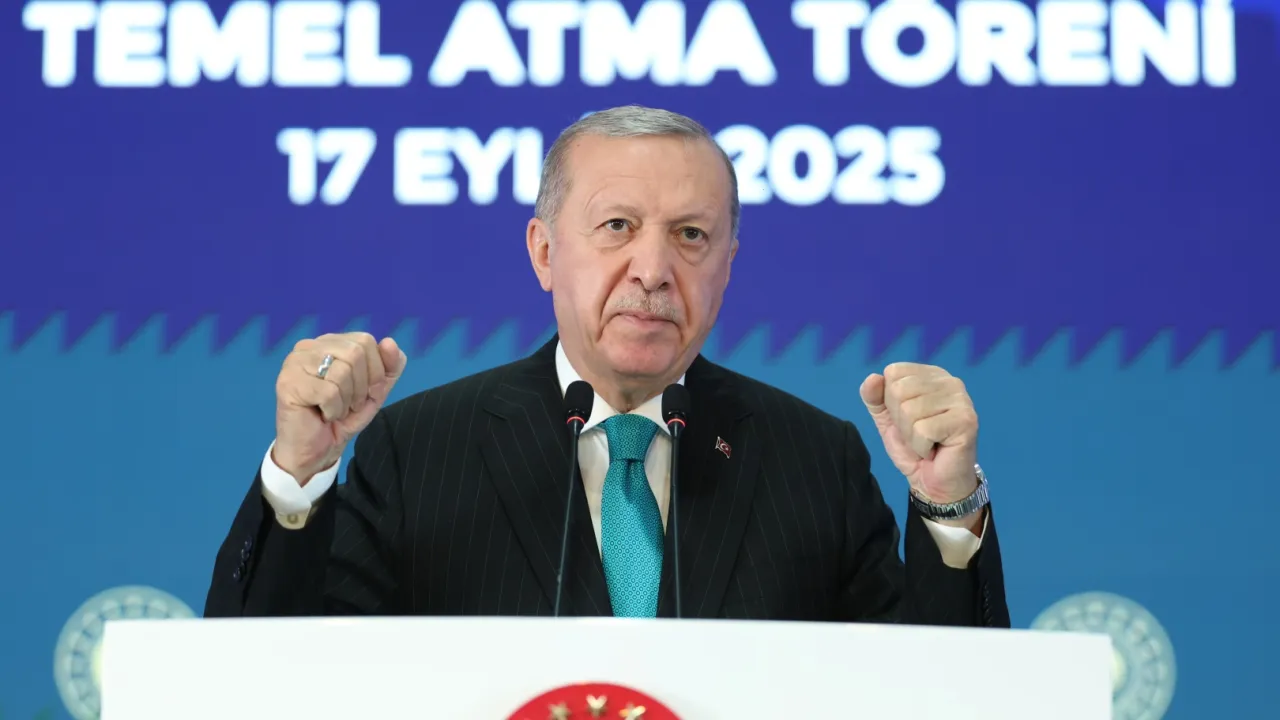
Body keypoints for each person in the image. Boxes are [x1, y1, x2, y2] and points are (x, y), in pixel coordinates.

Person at [205, 105, 1009, 626]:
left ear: (728, 265)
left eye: (691, 235)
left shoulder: (815, 460)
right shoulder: (418, 451)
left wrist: (948, 505)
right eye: (618, 226)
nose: (653, 270)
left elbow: (936, 696)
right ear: (544, 252)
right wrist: (299, 475)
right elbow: (272, 680)